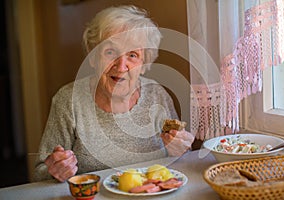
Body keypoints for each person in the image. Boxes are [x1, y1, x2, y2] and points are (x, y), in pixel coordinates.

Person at [33, 5, 194, 182]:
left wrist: (180, 151)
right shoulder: (68, 100)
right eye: (110, 52)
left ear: (144, 63)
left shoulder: (157, 94)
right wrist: (56, 171)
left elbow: (180, 164)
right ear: (93, 57)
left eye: (132, 55)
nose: (120, 65)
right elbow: (40, 172)